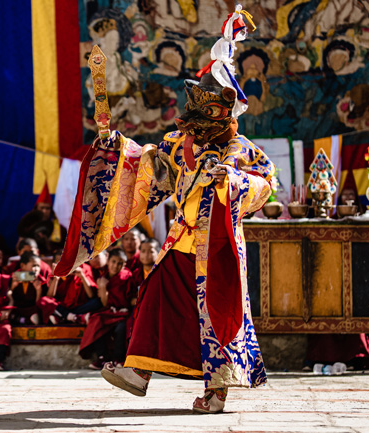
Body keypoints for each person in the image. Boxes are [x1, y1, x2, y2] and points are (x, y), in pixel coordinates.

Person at [57, 7, 272, 414]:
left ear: (224, 111)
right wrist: (115, 147)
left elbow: (264, 185)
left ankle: (216, 391)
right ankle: (138, 371)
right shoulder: (178, 144)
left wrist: (234, 181)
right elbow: (147, 170)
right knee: (153, 296)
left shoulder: (238, 150)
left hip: (218, 246)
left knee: (217, 314)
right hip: (181, 238)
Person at [78, 249, 136, 370]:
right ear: (108, 261)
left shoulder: (127, 277)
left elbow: (129, 300)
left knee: (121, 328)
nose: (116, 266)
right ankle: (102, 357)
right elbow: (105, 303)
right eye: (113, 262)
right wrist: (103, 287)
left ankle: (119, 358)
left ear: (124, 264)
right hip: (110, 312)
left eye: (120, 263)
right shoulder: (103, 278)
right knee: (96, 321)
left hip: (124, 313)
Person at [46, 250, 99, 324]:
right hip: (62, 306)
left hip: (79, 307)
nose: (63, 265)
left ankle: (65, 316)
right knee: (44, 301)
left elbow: (91, 295)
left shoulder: (83, 268)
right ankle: (76, 317)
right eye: (59, 263)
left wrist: (82, 276)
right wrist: (56, 278)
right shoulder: (53, 275)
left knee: (96, 302)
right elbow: (50, 297)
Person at [17, 183, 66, 255]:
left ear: (51, 211)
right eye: (42, 208)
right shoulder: (27, 227)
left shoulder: (60, 229)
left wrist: (47, 242)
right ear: (36, 209)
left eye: (47, 208)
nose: (44, 211)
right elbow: (19, 249)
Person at [8, 251, 47, 325]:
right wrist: (12, 287)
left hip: (32, 309)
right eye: (33, 266)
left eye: (38, 266)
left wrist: (38, 290)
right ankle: (25, 320)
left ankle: (23, 320)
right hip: (18, 309)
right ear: (22, 266)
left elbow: (40, 304)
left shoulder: (41, 281)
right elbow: (8, 298)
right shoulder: (13, 278)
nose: (36, 269)